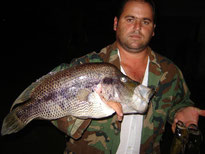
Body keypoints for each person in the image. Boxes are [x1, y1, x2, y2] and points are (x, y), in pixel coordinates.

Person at [51, 0, 205, 153]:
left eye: (145, 21)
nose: (137, 27)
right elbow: (49, 105)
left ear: (153, 30)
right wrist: (89, 108)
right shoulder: (85, 65)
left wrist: (180, 112)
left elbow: (178, 103)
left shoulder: (170, 71)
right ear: (116, 23)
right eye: (130, 19)